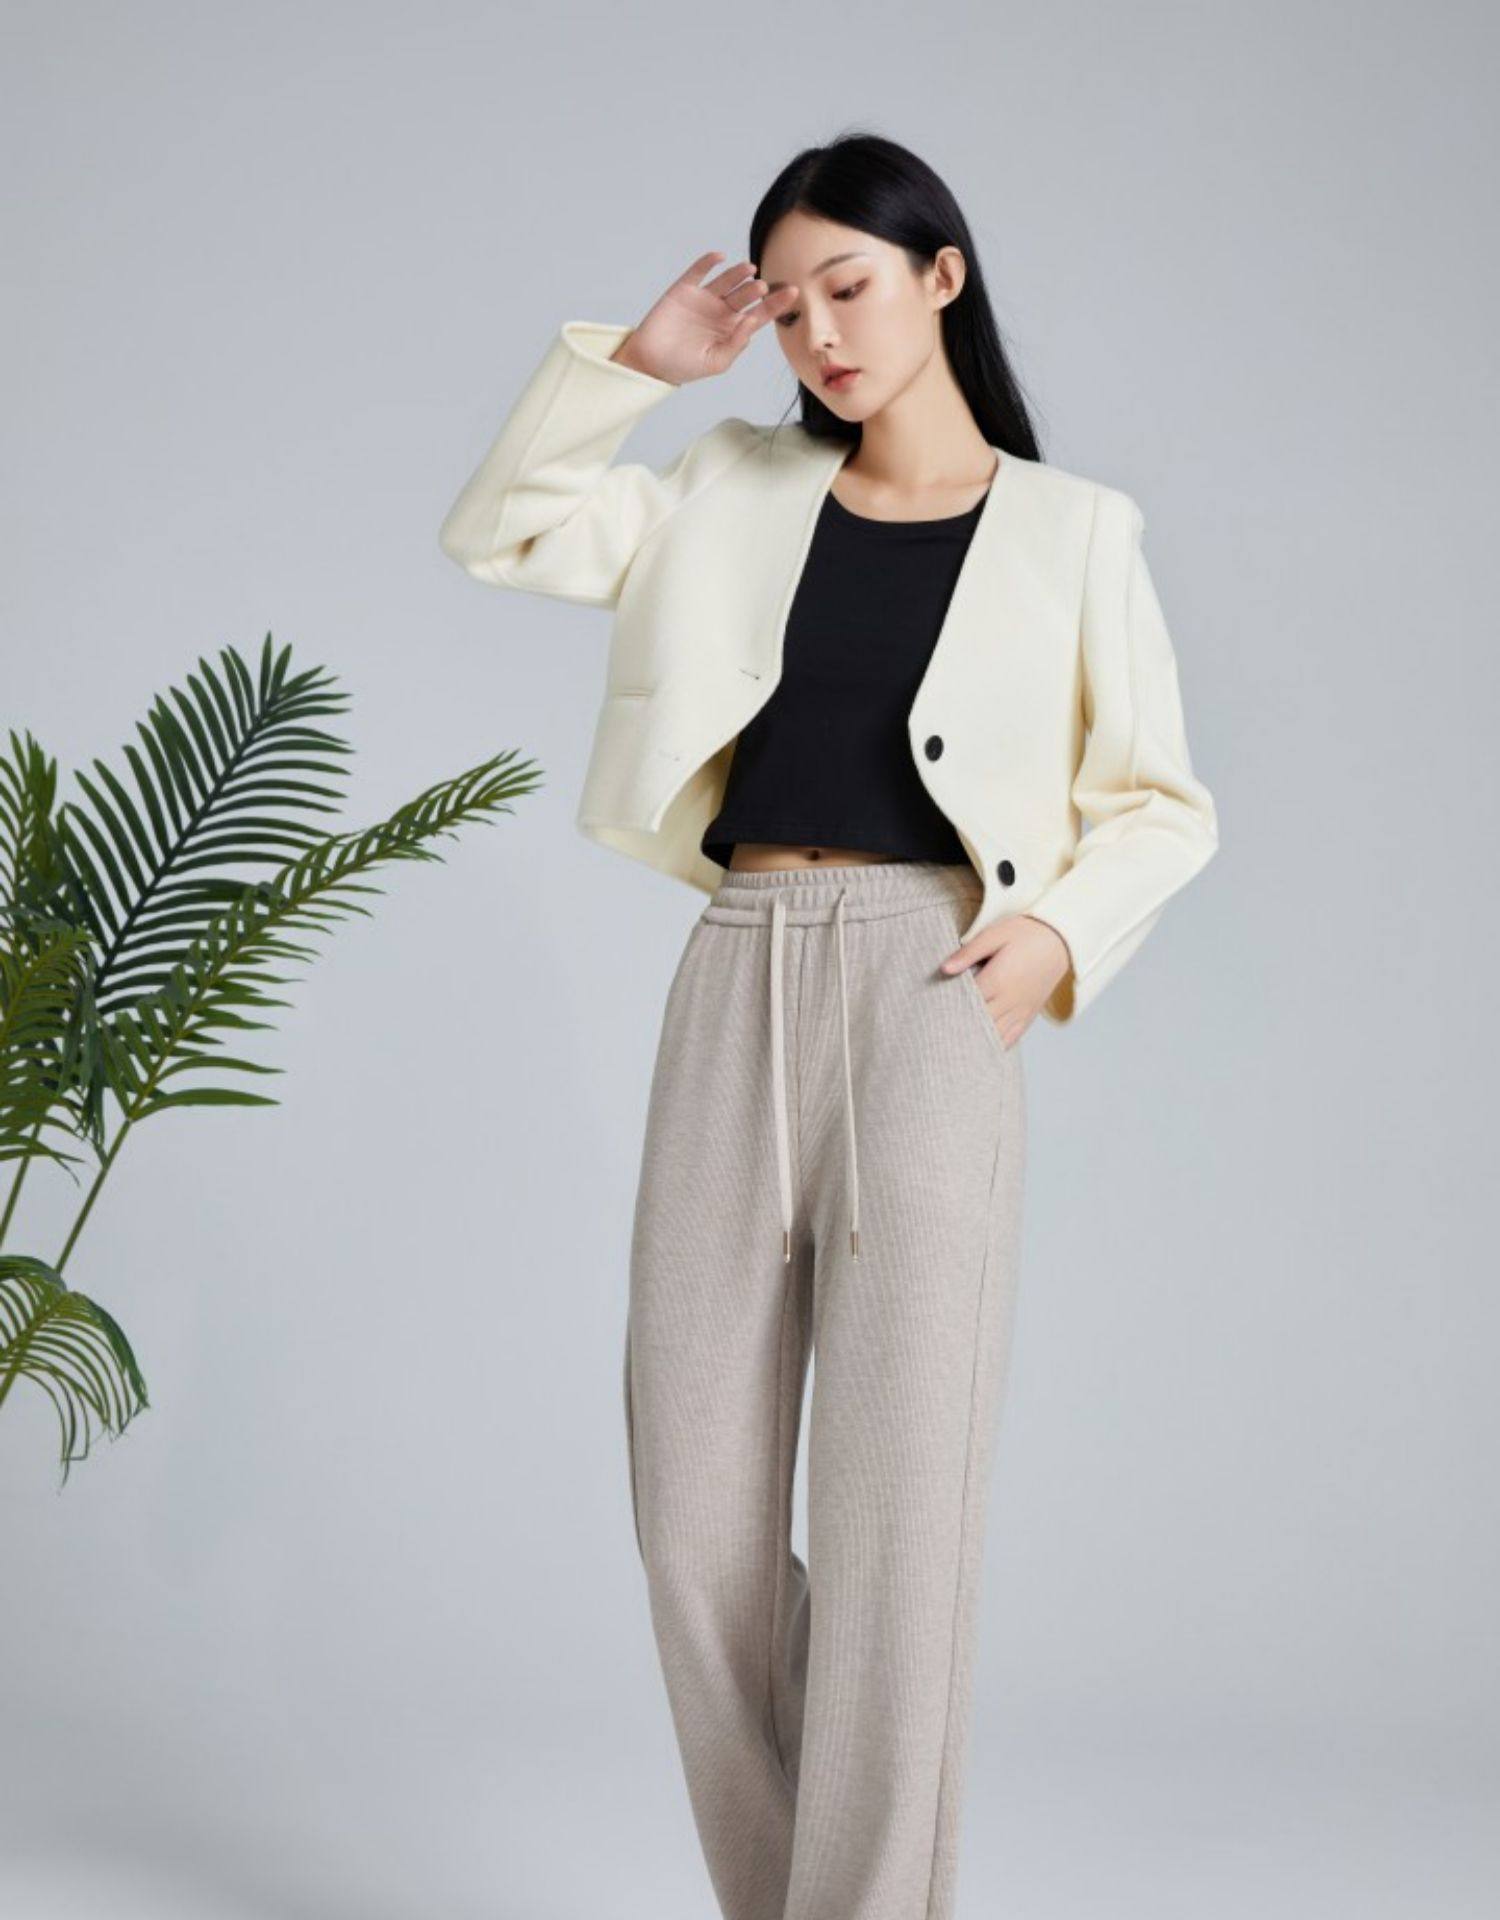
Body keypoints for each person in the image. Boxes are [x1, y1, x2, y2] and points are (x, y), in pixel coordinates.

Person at [438, 131, 1219, 1920]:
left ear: (943, 274)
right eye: (788, 310)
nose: (820, 337)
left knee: (894, 1532)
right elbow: (500, 532)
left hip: (932, 986)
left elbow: (1163, 803)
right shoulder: (728, 483)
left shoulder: (1075, 533)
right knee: (690, 1521)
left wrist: (1051, 937)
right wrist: (637, 372)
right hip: (738, 971)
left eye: (848, 289)